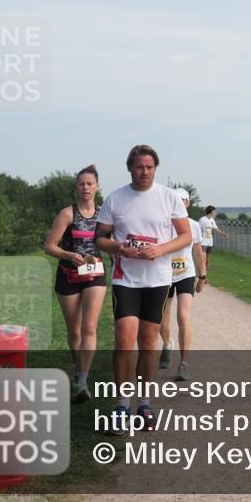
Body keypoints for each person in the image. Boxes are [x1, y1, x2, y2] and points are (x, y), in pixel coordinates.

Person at [95, 145, 191, 432]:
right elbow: (100, 238)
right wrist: (118, 246)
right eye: (139, 166)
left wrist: (160, 249)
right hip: (126, 278)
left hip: (158, 278)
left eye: (149, 167)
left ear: (155, 169)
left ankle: (145, 403)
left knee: (149, 341)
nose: (144, 172)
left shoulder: (168, 197)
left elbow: (185, 235)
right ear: (130, 168)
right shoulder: (115, 198)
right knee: (124, 339)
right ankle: (122, 406)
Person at [43, 165, 106, 402]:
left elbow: (111, 241)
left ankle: (81, 380)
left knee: (89, 327)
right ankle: (79, 369)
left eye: (90, 183)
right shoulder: (67, 213)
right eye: (81, 183)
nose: (86, 187)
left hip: (95, 274)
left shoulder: (103, 214)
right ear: (76, 187)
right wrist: (69, 255)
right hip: (68, 274)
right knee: (75, 330)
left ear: (97, 187)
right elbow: (50, 246)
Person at [159, 187, 206, 381]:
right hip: (164, 274)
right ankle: (167, 343)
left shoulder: (193, 225)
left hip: (186, 274)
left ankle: (184, 363)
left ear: (187, 203)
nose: (178, 204)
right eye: (175, 201)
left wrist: (202, 276)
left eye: (182, 201)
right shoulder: (163, 224)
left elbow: (198, 251)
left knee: (183, 316)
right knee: (162, 317)